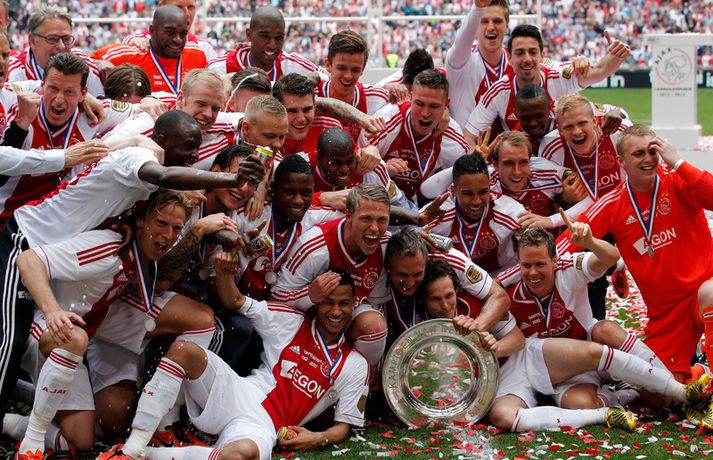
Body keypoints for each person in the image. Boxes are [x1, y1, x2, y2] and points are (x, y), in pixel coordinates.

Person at [0, 111, 265, 414]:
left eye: (196, 147)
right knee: (11, 340)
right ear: (162, 140)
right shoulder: (139, 157)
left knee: (94, 413)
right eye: (188, 147)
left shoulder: (149, 170)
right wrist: (232, 178)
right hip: (28, 238)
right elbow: (164, 176)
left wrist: (233, 239)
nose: (195, 156)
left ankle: (18, 401)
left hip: (62, 263)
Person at [99, 267, 368, 460]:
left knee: (241, 455)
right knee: (185, 351)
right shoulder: (291, 321)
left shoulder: (355, 364)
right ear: (318, 304)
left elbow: (343, 426)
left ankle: (146, 454)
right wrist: (224, 272)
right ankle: (138, 443)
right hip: (239, 391)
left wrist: (317, 437)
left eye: (344, 304)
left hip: (265, 424)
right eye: (328, 303)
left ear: (354, 305)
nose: (335, 311)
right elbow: (236, 301)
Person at [9, 189, 195, 458]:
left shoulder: (142, 252)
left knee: (82, 441)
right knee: (74, 338)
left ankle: (10, 405)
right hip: (38, 321)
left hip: (75, 338)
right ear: (141, 220)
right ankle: (32, 443)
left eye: (176, 228)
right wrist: (52, 311)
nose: (168, 234)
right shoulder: (110, 247)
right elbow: (28, 260)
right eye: (161, 223)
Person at [432, 257, 712, 432]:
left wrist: (494, 346)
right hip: (505, 382)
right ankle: (608, 411)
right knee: (504, 418)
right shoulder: (417, 325)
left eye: (449, 295)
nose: (445, 305)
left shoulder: (480, 302)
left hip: (532, 358)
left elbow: (516, 340)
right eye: (436, 299)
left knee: (600, 343)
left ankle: (684, 392)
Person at [556, 125, 713, 384]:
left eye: (653, 151)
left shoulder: (677, 181)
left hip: (701, 293)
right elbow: (562, 246)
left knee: (710, 293)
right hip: (667, 315)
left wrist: (678, 163)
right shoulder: (613, 203)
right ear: (621, 161)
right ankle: (700, 373)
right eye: (639, 154)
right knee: (659, 392)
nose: (648, 159)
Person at [0, 52, 141, 229]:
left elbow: (145, 112)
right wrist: (63, 157)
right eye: (53, 89)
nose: (59, 100)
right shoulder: (21, 114)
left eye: (69, 92)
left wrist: (130, 139)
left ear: (84, 94)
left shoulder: (94, 114)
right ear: (42, 86)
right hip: (6, 221)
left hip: (52, 222)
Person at [271, 184, 390, 366]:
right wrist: (309, 295)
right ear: (348, 216)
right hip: (307, 322)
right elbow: (276, 297)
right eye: (366, 219)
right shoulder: (315, 247)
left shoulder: (385, 246)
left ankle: (366, 374)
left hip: (347, 321)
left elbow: (376, 304)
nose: (375, 228)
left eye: (382, 220)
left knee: (375, 327)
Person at [463, 24, 630, 148]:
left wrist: (617, 54)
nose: (527, 59)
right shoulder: (499, 92)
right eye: (520, 53)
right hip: (524, 163)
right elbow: (470, 134)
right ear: (510, 58)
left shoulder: (560, 76)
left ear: (542, 56)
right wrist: (477, 159)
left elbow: (600, 70)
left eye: (532, 52)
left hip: (564, 158)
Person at [362, 69, 468, 205]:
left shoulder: (453, 139)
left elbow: (461, 185)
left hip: (426, 207)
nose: (425, 113)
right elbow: (357, 169)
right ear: (410, 98)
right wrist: (382, 169)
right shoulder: (386, 121)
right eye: (419, 104)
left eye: (434, 106)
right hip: (382, 203)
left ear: (446, 105)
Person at [429, 154, 525, 275]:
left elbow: (537, 249)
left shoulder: (509, 211)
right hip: (452, 277)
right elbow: (411, 236)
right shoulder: (439, 212)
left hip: (498, 274)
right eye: (468, 193)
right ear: (453, 190)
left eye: (483, 192)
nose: (477, 201)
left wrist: (501, 281)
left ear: (490, 187)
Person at [102, 6, 208, 95]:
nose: (178, 39)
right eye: (170, 32)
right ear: (152, 30)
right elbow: (93, 61)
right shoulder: (127, 55)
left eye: (183, 34)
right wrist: (99, 63)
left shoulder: (197, 55)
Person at [7, 6, 104, 96]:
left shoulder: (83, 63)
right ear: (32, 40)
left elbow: (100, 105)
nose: (61, 46)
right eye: (52, 39)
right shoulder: (11, 72)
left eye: (66, 39)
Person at [207, 6, 319, 81]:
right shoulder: (220, 69)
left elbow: (324, 76)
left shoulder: (292, 66)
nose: (272, 45)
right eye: (265, 36)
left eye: (278, 38)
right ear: (249, 35)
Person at [445, 0, 511, 127]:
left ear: (506, 26)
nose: (491, 27)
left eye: (497, 21)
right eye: (484, 21)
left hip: (509, 140)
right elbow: (462, 39)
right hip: (467, 139)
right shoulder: (460, 60)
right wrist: (478, 8)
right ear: (475, 25)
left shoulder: (516, 61)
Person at [317, 30, 389, 140]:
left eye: (355, 70)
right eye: (342, 68)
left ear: (363, 70)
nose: (348, 76)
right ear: (328, 65)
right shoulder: (312, 93)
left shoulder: (378, 98)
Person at [272, 73, 343, 159]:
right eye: (292, 111)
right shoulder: (263, 134)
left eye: (307, 109)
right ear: (275, 110)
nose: (301, 119)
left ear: (314, 106)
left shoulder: (330, 128)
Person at [122, 0, 218, 62]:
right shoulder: (133, 43)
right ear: (161, 7)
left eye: (190, 7)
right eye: (178, 7)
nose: (187, 14)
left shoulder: (205, 49)